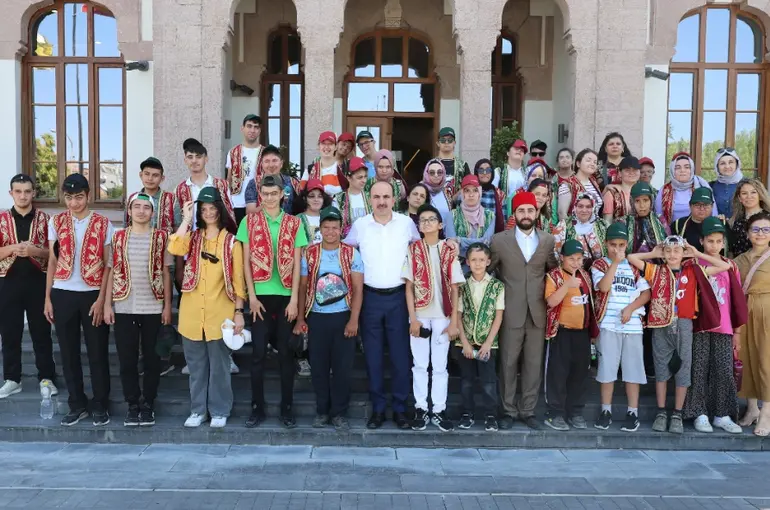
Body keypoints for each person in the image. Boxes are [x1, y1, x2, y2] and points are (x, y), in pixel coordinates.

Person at [628, 236, 724, 434]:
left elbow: (723, 266)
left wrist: (696, 253)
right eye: (668, 251)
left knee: (683, 369)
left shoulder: (693, 270)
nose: (672, 255)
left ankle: (677, 413)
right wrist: (653, 254)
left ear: (683, 253)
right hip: (661, 324)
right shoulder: (655, 270)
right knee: (662, 369)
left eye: (677, 251)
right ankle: (661, 412)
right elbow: (631, 257)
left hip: (683, 323)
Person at [344, 181, 421, 430]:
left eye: (386, 196)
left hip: (399, 297)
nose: (381, 201)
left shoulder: (406, 224)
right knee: (373, 358)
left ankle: (399, 409)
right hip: (370, 299)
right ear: (370, 198)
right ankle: (378, 409)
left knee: (400, 357)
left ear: (394, 197)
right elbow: (345, 253)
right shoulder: (360, 225)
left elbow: (420, 253)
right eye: (376, 196)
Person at [169, 188, 245, 428]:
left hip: (220, 313)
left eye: (213, 208)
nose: (209, 213)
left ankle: (220, 410)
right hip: (192, 314)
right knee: (196, 368)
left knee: (220, 368)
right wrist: (186, 218)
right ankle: (198, 410)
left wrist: (239, 312)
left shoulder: (231, 241)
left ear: (220, 210)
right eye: (204, 209)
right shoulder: (192, 238)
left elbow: (238, 281)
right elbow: (175, 248)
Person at [44, 173, 115, 427]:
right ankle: (77, 403)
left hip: (91, 294)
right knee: (68, 352)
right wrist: (48, 298)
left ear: (88, 195)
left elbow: (109, 265)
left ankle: (100, 404)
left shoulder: (104, 223)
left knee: (97, 352)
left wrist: (101, 299)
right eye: (69, 197)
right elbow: (52, 261)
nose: (74, 203)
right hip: (62, 292)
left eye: (79, 197)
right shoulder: (56, 222)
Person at [240, 175, 307, 429]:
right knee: (257, 355)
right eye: (264, 194)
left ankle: (286, 408)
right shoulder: (250, 221)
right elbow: (245, 262)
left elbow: (299, 264)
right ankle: (257, 408)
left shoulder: (293, 223)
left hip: (285, 298)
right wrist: (252, 298)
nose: (268, 198)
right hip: (260, 299)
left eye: (273, 193)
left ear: (282, 194)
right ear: (261, 195)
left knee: (286, 356)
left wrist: (293, 302)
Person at [104, 193, 173, 427]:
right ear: (129, 211)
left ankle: (149, 404)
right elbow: (111, 271)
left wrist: (167, 307)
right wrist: (107, 305)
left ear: (152, 213)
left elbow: (165, 272)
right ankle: (132, 404)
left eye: (146, 207)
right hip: (124, 306)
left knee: (153, 360)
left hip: (153, 306)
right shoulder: (118, 237)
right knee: (127, 360)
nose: (141, 211)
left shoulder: (161, 237)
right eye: (137, 207)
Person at [490, 192, 557, 430]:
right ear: (514, 213)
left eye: (530, 210)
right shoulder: (499, 240)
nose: (526, 215)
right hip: (510, 311)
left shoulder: (548, 240)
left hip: (538, 312)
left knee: (533, 363)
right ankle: (507, 411)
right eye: (521, 211)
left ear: (537, 213)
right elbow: (489, 272)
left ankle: (528, 411)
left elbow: (553, 272)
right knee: (507, 363)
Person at [294, 207, 363, 431]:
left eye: (335, 227)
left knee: (342, 368)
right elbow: (304, 286)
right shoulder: (310, 253)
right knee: (319, 368)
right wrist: (301, 318)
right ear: (320, 229)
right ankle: (322, 411)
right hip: (317, 318)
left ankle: (339, 413)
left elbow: (358, 289)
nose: (331, 231)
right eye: (326, 227)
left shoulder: (351, 253)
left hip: (343, 317)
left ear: (341, 229)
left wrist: (354, 320)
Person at [682, 217, 747, 434]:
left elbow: (736, 298)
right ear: (701, 240)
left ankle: (722, 414)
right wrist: (698, 255)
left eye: (719, 241)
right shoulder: (693, 264)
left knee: (724, 371)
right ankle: (699, 413)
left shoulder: (732, 266)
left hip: (725, 326)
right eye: (710, 241)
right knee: (699, 369)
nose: (715, 245)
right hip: (700, 325)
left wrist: (737, 331)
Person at [403, 204, 464, 432]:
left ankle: (438, 409)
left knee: (440, 366)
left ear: (440, 225)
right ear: (418, 226)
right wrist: (413, 319)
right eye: (423, 220)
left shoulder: (449, 251)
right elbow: (408, 287)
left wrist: (454, 322)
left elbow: (456, 288)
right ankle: (421, 408)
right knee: (419, 364)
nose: (427, 223)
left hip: (443, 316)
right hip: (420, 314)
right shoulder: (413, 250)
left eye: (432, 219)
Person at [591, 222, 651, 433]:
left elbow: (646, 293)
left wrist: (630, 308)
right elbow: (604, 287)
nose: (617, 249)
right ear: (606, 243)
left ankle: (632, 412)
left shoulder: (634, 266)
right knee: (607, 369)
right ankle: (605, 410)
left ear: (627, 244)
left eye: (621, 245)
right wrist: (614, 263)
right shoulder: (599, 265)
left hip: (633, 325)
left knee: (633, 370)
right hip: (608, 324)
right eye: (613, 244)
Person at [0, 175, 56, 400]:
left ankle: (47, 378)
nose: (23, 195)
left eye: (27, 191)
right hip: (8, 282)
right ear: (11, 193)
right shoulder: (1, 219)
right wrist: (13, 247)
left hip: (38, 282)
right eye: (18, 191)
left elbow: (55, 254)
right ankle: (13, 379)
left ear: (34, 193)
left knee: (41, 333)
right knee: (10, 333)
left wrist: (35, 251)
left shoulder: (46, 220)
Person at [543, 239, 599, 431]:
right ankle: (555, 414)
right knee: (558, 375)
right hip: (561, 333)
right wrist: (567, 286)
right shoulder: (554, 276)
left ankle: (575, 412)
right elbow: (550, 302)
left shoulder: (585, 275)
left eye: (579, 259)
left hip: (582, 334)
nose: (576, 263)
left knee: (580, 375)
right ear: (562, 258)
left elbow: (590, 305)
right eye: (571, 259)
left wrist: (592, 332)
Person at [453, 243, 504, 432]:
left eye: (482, 260)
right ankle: (467, 413)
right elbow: (457, 316)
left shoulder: (497, 286)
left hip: (488, 344)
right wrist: (465, 343)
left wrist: (488, 343)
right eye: (473, 260)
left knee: (489, 381)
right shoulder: (462, 286)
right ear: (467, 262)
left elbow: (498, 316)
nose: (478, 263)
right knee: (466, 381)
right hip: (465, 342)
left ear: (488, 262)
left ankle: (491, 415)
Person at [734, 211, 770, 437]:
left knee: (766, 360)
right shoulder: (740, 259)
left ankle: (767, 411)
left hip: (767, 309)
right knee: (746, 359)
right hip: (744, 312)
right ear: (748, 234)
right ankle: (752, 408)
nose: (760, 234)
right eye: (756, 229)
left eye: (766, 229)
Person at [175, 138, 235, 228]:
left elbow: (230, 215)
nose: (194, 161)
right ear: (185, 160)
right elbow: (177, 222)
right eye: (190, 157)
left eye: (198, 156)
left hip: (217, 239)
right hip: (190, 240)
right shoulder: (179, 190)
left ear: (206, 159)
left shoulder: (222, 185)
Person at [445, 175, 495, 269]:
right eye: (467, 190)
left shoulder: (490, 216)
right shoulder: (452, 215)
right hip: (458, 269)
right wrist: (456, 242)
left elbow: (486, 243)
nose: (471, 194)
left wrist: (459, 240)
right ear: (462, 193)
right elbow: (452, 244)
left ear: (480, 193)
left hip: (481, 268)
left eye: (475, 190)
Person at [655, 152, 716, 225]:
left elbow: (713, 211)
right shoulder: (664, 190)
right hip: (671, 233)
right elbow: (659, 217)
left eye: (687, 167)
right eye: (677, 167)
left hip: (700, 232)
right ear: (672, 171)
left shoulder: (701, 186)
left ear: (692, 169)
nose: (682, 170)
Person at [226, 114, 264, 225]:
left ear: (259, 130)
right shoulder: (233, 152)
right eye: (249, 126)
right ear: (242, 128)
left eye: (256, 127)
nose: (252, 130)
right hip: (237, 203)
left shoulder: (265, 153)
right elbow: (229, 178)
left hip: (258, 203)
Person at [552, 193, 607, 266]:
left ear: (593, 208)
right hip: (571, 272)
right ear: (575, 207)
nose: (584, 210)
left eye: (588, 207)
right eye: (580, 206)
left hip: (598, 272)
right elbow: (555, 253)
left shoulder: (602, 225)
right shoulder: (564, 225)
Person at [245, 144, 300, 215]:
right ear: (262, 164)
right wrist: (270, 203)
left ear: (281, 163)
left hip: (287, 224)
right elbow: (250, 213)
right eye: (267, 161)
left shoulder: (292, 182)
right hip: (261, 225)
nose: (271, 165)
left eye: (274, 160)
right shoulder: (254, 183)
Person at [125, 157, 175, 234]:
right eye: (147, 174)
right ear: (141, 175)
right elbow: (126, 225)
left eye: (155, 175)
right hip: (136, 244)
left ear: (162, 178)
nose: (150, 178)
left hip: (165, 244)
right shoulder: (133, 198)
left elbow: (178, 228)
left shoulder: (171, 199)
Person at [558, 148, 603, 221]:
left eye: (595, 162)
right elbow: (562, 214)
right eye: (588, 160)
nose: (592, 164)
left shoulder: (594, 181)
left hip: (595, 228)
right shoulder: (568, 185)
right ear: (578, 164)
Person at [729, 178, 770, 257]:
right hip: (740, 266)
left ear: (760, 196)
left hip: (764, 266)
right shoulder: (736, 221)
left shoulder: (768, 218)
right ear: (739, 198)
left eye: (753, 192)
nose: (749, 196)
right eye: (744, 193)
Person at [625, 182, 669, 254]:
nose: (642, 205)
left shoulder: (660, 221)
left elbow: (667, 248)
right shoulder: (624, 222)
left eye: (645, 200)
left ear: (651, 201)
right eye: (637, 201)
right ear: (631, 202)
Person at [300, 131, 347, 196]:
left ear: (336, 147)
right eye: (323, 143)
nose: (326, 147)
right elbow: (301, 194)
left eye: (330, 144)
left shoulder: (343, 169)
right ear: (318, 146)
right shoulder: (310, 170)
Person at [670, 187, 717, 253]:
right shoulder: (678, 225)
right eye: (697, 205)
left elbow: (730, 252)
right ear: (690, 206)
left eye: (706, 205)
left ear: (712, 206)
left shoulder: (721, 224)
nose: (702, 208)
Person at [333, 156, 371, 237]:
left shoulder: (371, 196)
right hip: (346, 244)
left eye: (365, 176)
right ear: (348, 178)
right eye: (360, 177)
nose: (364, 180)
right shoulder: (338, 199)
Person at [494, 139, 527, 219]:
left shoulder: (527, 173)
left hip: (523, 214)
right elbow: (493, 193)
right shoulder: (498, 171)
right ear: (508, 153)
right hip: (503, 213)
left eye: (522, 150)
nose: (519, 151)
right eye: (516, 148)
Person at [602, 156, 641, 223]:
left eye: (635, 170)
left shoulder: (644, 192)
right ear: (620, 173)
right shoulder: (612, 193)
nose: (631, 173)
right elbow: (607, 222)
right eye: (627, 170)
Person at [295, 178, 332, 247]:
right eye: (312, 196)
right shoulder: (297, 220)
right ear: (304, 198)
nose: (316, 200)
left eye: (320, 196)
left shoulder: (330, 217)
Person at [474, 159, 505, 233]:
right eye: (481, 170)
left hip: (494, 236)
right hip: (472, 235)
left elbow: (504, 219)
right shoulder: (470, 191)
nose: (485, 173)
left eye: (488, 170)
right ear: (476, 173)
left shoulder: (500, 194)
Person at [710, 147, 743, 218]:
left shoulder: (747, 184)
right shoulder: (711, 186)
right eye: (722, 163)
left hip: (743, 227)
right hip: (718, 227)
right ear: (717, 166)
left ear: (737, 164)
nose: (727, 166)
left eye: (731, 162)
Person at [436, 127, 470, 192]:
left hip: (458, 201)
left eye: (450, 140)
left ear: (454, 143)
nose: (446, 142)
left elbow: (469, 187)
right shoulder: (431, 164)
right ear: (438, 143)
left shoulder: (463, 165)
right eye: (443, 140)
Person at [420, 159, 453, 224]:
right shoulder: (420, 189)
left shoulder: (447, 191)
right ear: (426, 173)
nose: (436, 175)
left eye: (439, 172)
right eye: (432, 172)